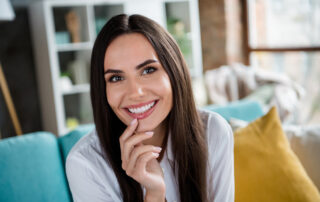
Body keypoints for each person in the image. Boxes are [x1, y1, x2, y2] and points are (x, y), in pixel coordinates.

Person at [66, 14, 234, 202]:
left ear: (174, 72)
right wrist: (154, 194)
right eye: (116, 78)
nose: (135, 92)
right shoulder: (86, 164)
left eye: (148, 70)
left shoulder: (213, 132)